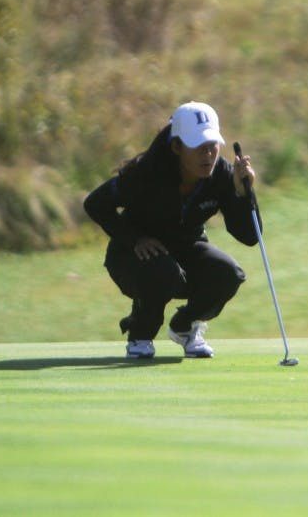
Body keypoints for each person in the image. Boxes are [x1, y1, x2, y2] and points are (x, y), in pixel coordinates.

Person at [83, 101, 260, 359]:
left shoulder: (221, 174)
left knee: (229, 274)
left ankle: (185, 327)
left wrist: (243, 194)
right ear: (177, 146)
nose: (208, 155)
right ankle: (140, 333)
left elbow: (249, 237)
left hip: (186, 252)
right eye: (198, 147)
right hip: (132, 259)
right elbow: (95, 204)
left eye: (212, 146)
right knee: (163, 272)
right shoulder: (146, 173)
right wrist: (135, 239)